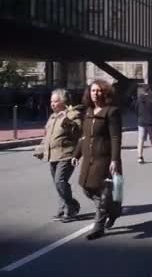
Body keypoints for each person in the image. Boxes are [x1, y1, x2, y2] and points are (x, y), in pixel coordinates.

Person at [72, 80, 123, 240]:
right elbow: (84, 137)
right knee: (87, 188)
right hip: (89, 158)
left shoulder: (111, 112)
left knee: (104, 193)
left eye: (99, 91)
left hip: (105, 159)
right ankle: (114, 209)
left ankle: (98, 227)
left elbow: (115, 137)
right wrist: (76, 154)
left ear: (105, 93)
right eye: (93, 90)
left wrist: (114, 160)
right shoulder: (88, 111)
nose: (95, 93)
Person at [34, 89, 82, 222]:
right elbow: (47, 136)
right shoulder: (52, 117)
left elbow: (78, 131)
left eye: (55, 101)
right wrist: (41, 149)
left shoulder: (73, 114)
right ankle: (63, 209)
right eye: (51, 101)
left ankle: (71, 208)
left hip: (66, 154)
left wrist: (68, 121)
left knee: (60, 181)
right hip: (52, 156)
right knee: (58, 184)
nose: (52, 104)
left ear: (64, 102)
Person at [137, 86, 152, 164]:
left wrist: (139, 115)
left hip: (141, 121)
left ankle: (140, 156)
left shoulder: (139, 98)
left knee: (141, 139)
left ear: (143, 91)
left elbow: (135, 108)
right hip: (150, 121)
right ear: (149, 90)